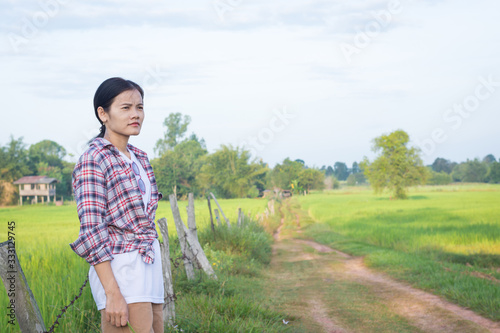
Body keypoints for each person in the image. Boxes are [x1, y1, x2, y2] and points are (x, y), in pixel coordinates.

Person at [70, 77, 164, 333]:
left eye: (140, 107)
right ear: (103, 113)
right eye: (126, 107)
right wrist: (113, 293)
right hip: (121, 274)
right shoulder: (93, 159)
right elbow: (92, 231)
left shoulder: (140, 159)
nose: (136, 114)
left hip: (149, 270)